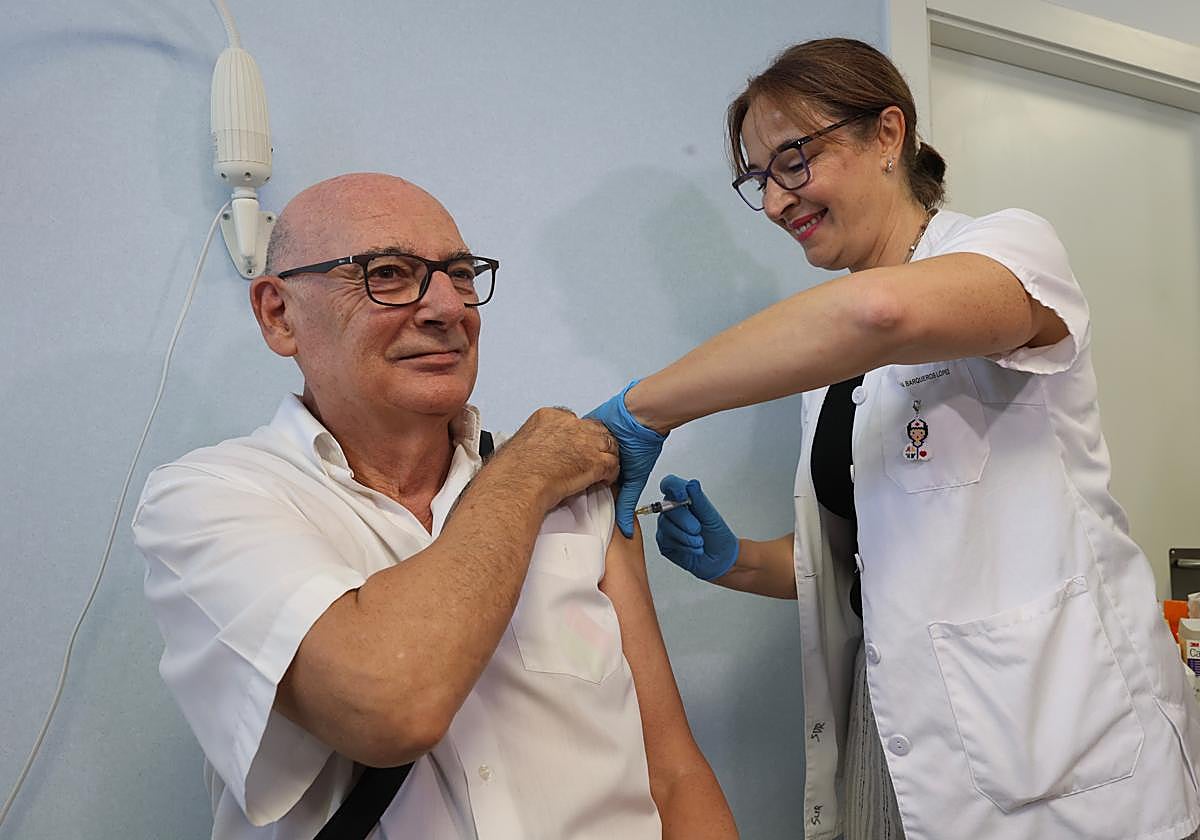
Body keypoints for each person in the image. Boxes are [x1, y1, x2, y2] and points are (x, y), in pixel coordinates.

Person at [588, 38, 1200, 840]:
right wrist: (737, 560)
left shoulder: (1008, 249)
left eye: (793, 160)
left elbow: (880, 314)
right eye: (757, 178)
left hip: (1065, 749)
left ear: (887, 134)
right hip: (896, 739)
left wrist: (644, 410)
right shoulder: (826, 373)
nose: (774, 202)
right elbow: (865, 569)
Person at [132, 173, 737, 840]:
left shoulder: (583, 494)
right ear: (280, 315)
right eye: (388, 273)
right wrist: (527, 473)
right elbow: (391, 708)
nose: (448, 307)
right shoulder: (210, 499)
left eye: (461, 273)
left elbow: (673, 773)